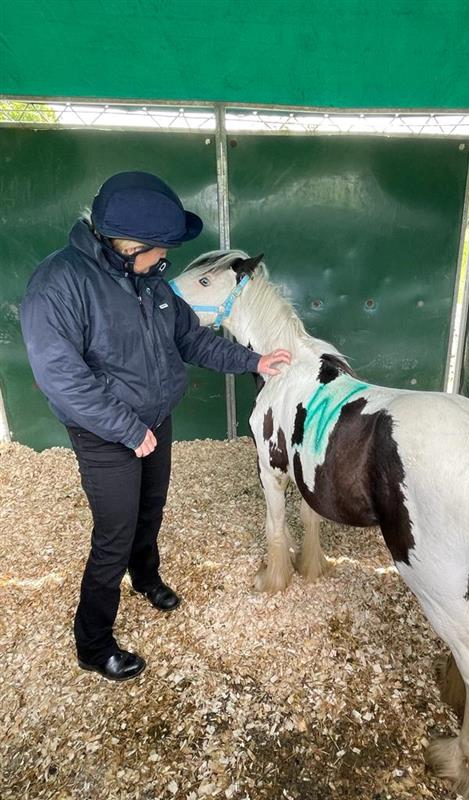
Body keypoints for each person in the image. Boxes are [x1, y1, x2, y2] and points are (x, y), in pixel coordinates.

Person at [20, 171, 291, 682]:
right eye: (158, 250)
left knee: (151, 507)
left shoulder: (152, 284)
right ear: (126, 247)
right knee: (114, 535)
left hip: (154, 419)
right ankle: (94, 642)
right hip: (105, 433)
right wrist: (126, 428)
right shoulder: (58, 285)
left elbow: (192, 340)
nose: (165, 260)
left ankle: (145, 577)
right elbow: (62, 378)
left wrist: (254, 361)